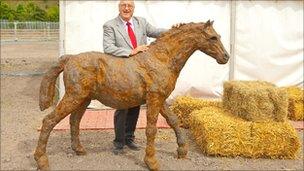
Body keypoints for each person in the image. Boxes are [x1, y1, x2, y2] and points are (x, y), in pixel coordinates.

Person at [103, 0, 180, 155]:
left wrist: (174, 30)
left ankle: (129, 138)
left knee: (135, 106)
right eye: (123, 5)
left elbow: (157, 32)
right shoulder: (110, 25)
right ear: (119, 7)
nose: (126, 8)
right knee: (122, 107)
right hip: (123, 70)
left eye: (129, 6)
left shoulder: (141, 22)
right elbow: (108, 47)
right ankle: (119, 142)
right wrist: (131, 51)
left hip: (141, 71)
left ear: (133, 8)